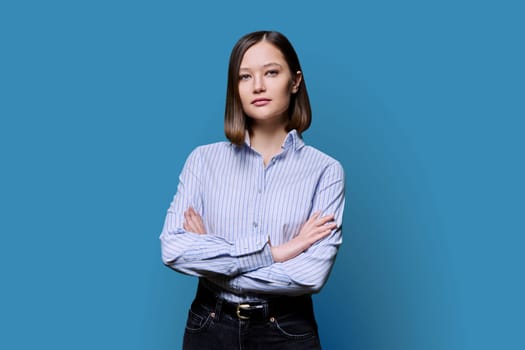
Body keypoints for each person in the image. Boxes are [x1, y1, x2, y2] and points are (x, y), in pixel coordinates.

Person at [159, 30, 345, 350]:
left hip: (286, 331)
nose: (258, 86)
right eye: (245, 76)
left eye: (271, 72)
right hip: (209, 327)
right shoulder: (203, 161)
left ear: (295, 81)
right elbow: (173, 249)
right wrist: (276, 252)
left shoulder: (326, 171)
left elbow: (311, 274)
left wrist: (210, 253)